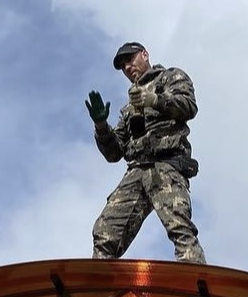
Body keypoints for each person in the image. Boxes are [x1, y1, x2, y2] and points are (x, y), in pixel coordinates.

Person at [85, 41, 206, 264]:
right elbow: (114, 153)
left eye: (130, 59)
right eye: (123, 65)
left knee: (179, 226)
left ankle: (194, 276)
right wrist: (101, 126)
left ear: (145, 54)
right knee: (105, 230)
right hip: (137, 170)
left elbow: (189, 106)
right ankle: (98, 280)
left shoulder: (169, 77)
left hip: (166, 165)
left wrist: (155, 100)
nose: (127, 67)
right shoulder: (128, 109)